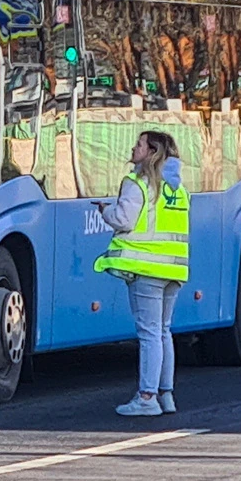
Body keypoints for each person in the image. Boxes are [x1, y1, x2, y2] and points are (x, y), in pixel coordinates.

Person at [95, 130, 189, 418]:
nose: (133, 148)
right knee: (163, 331)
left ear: (151, 152)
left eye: (139, 144)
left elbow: (124, 220)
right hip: (173, 268)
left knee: (149, 333)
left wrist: (105, 211)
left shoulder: (137, 183)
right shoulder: (176, 188)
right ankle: (166, 394)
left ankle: (147, 397)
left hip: (146, 269)